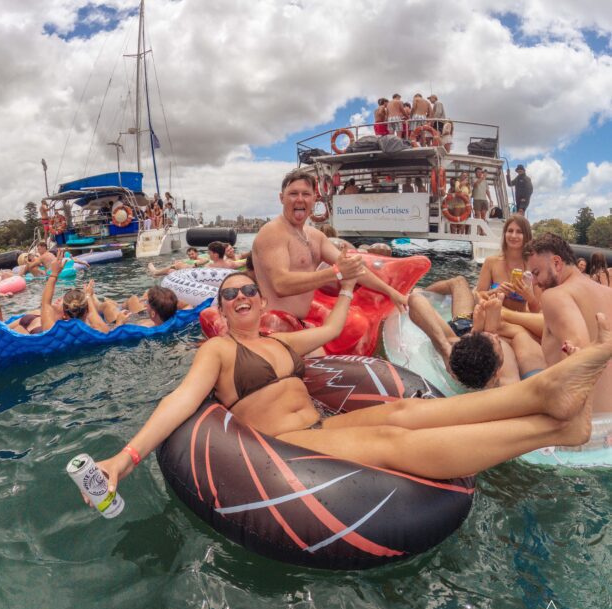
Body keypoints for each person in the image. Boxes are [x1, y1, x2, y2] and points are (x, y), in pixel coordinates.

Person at [86, 269, 612, 499]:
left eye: (248, 289)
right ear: (221, 311)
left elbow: (335, 331)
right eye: (231, 295)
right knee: (392, 442)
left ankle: (546, 395)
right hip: (287, 449)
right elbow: (180, 400)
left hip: (321, 425)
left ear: (261, 302)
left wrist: (344, 286)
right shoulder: (219, 351)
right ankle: (556, 431)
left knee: (402, 414)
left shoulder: (281, 343)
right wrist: (122, 460)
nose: (242, 296)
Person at [252, 170, 407, 321]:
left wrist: (391, 292)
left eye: (305, 194)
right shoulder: (273, 232)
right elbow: (281, 284)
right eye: (293, 194)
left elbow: (355, 269)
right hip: (275, 325)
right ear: (282, 198)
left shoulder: (315, 236)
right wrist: (337, 272)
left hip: (301, 322)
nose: (299, 199)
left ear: (314, 198)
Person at [524, 233, 612, 413]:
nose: (535, 282)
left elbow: (578, 349)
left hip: (583, 422)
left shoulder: (555, 295)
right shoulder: (607, 293)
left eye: (536, 273)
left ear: (557, 263)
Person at [408, 277, 522, 388]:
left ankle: (482, 328)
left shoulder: (456, 351)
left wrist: (445, 349)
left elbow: (414, 300)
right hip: (469, 330)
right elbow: (519, 335)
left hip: (461, 331)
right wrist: (493, 328)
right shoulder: (507, 382)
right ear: (497, 373)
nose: (497, 337)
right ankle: (486, 328)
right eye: (498, 341)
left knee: (459, 282)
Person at [476, 214, 541, 312]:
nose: (513, 235)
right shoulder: (491, 262)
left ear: (526, 236)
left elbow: (538, 311)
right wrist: (495, 291)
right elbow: (478, 296)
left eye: (519, 232)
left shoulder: (534, 267)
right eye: (510, 231)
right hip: (494, 316)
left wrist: (529, 297)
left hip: (518, 322)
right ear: (505, 234)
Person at [41, 252, 108, 333]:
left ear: (64, 315)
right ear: (87, 312)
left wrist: (54, 273)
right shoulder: (99, 331)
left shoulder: (51, 332)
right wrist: (88, 296)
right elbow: (101, 325)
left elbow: (45, 304)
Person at [98, 286, 180, 327]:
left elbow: (113, 337)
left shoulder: (144, 329)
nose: (144, 304)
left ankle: (96, 303)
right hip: (144, 317)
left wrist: (119, 322)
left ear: (153, 314)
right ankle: (116, 305)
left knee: (107, 305)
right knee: (134, 298)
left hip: (127, 323)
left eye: (147, 302)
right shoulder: (170, 317)